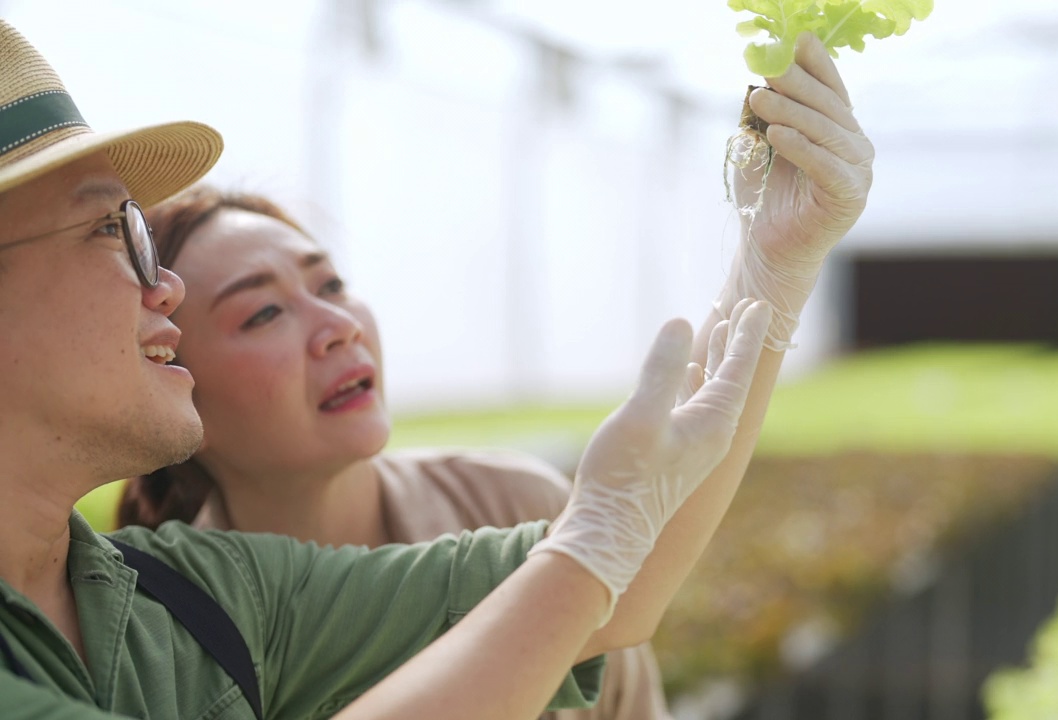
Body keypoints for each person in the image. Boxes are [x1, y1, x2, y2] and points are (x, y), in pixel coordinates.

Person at [0, 12, 873, 719]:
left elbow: (622, 591)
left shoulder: (198, 595)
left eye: (331, 282)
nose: (163, 288)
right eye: (112, 232)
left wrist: (776, 267)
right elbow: (591, 578)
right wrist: (587, 553)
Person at [113, 186, 673, 720]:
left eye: (330, 285)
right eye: (264, 313)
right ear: (174, 386)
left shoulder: (517, 506)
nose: (340, 326)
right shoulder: (174, 637)